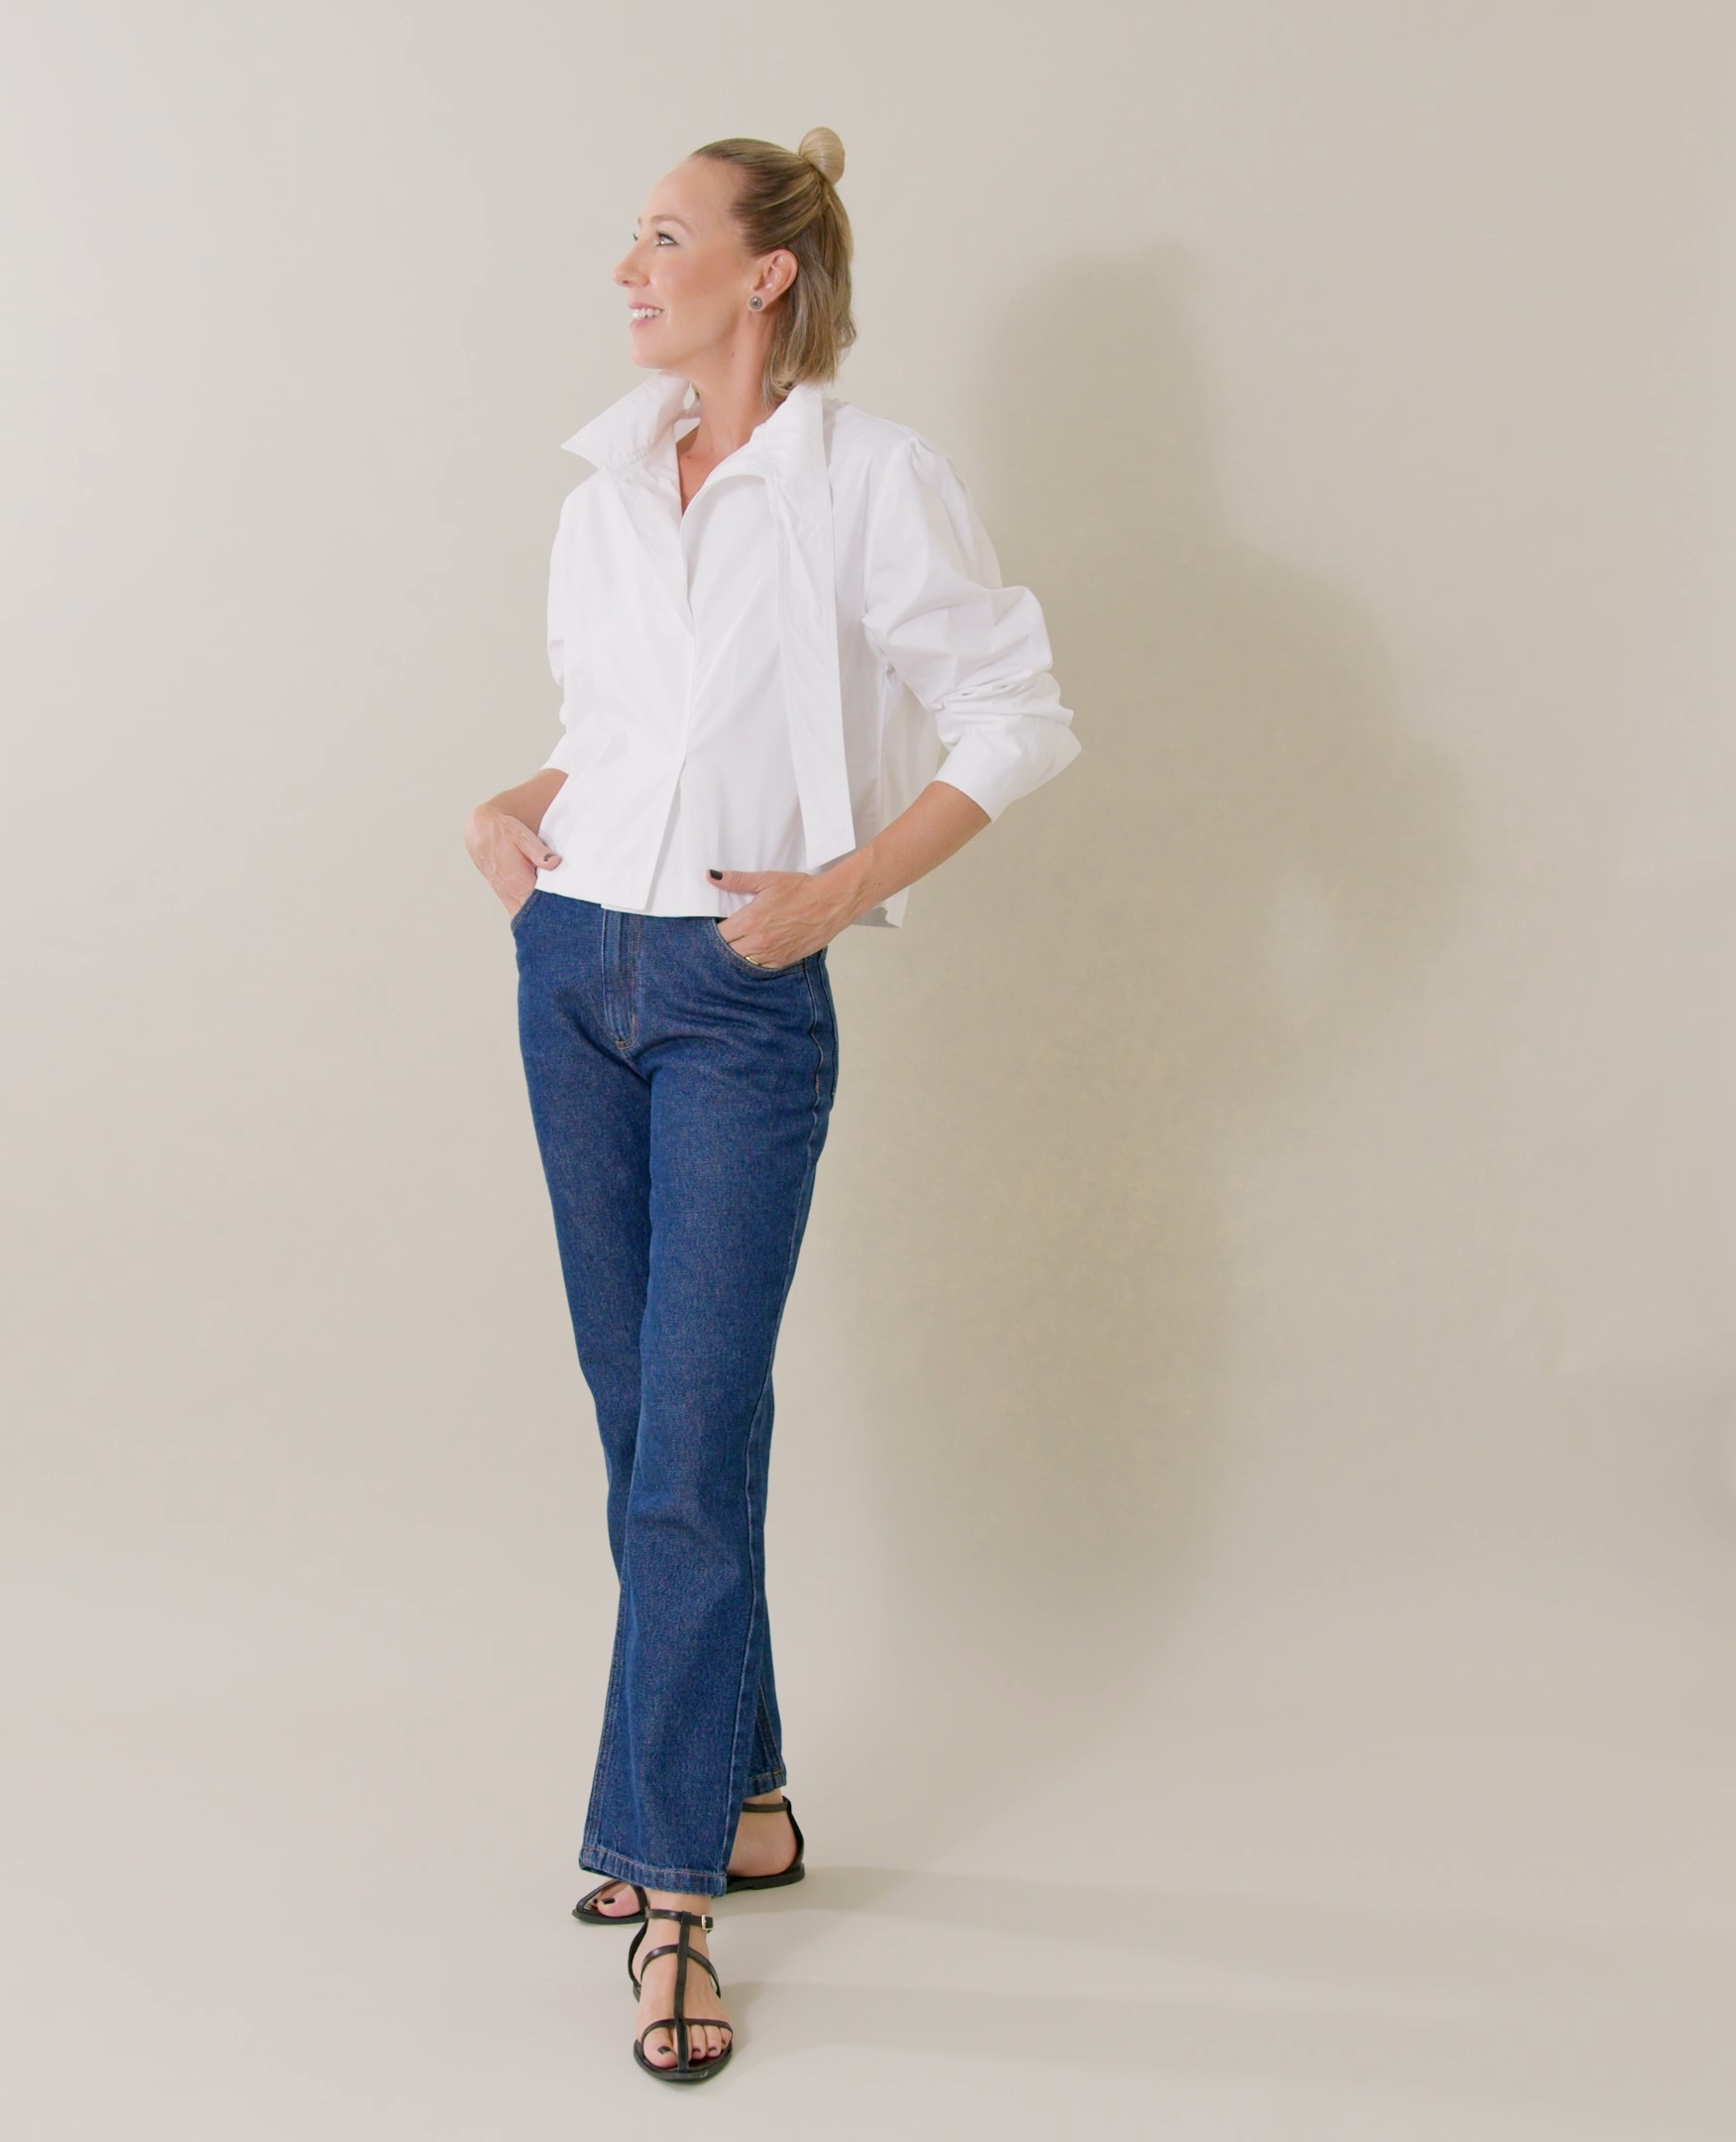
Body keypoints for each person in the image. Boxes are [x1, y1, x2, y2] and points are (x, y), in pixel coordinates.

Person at [462, 127, 1081, 2083]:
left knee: (690, 1439)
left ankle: (669, 1898)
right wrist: (517, 809)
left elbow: (1018, 715)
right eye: (631, 237)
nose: (628, 270)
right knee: (644, 1420)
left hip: (739, 1000)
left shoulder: (871, 480)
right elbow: (620, 736)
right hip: (574, 968)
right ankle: (743, 1801)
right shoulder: (603, 491)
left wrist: (841, 892)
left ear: (767, 275)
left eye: (666, 237)